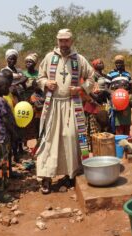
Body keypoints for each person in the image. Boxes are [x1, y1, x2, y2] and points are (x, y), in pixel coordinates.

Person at [36, 28, 94, 194]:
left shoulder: (79, 59)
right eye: (61, 40)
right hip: (53, 104)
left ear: (72, 41)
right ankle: (46, 178)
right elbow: (39, 77)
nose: (63, 44)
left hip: (71, 105)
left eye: (66, 40)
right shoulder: (49, 58)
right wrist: (46, 83)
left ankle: (70, 175)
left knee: (70, 138)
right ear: (57, 41)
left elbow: (91, 77)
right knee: (49, 140)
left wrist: (81, 88)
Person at [0, 75, 18, 202]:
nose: (8, 88)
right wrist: (14, 132)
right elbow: (5, 119)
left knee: (5, 161)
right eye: (5, 86)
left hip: (2, 136)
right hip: (3, 136)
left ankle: (4, 183)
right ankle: (1, 191)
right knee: (3, 163)